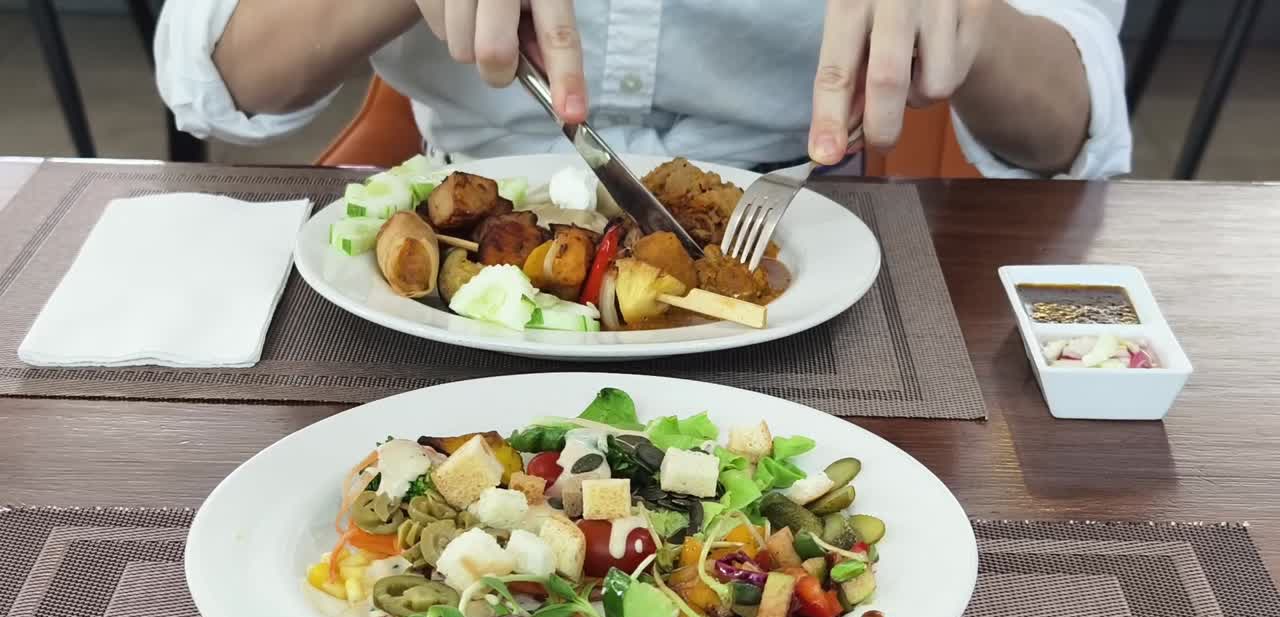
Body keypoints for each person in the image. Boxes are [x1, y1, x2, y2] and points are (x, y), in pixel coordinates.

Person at [155, 1, 1131, 179]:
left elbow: (1072, 134)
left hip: (814, 233)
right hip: (447, 277)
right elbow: (208, 77)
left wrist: (974, 21)